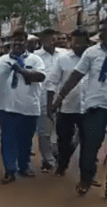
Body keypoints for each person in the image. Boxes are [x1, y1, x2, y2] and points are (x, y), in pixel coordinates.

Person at [51, 22, 107, 195]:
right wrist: (60, 97)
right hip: (96, 107)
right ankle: (86, 178)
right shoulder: (92, 53)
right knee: (90, 146)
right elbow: (76, 76)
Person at [0, 29, 46, 184]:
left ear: (26, 43)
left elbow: (41, 76)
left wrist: (22, 71)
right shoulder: (2, 60)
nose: (17, 43)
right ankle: (9, 170)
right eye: (14, 40)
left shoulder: (36, 60)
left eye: (21, 40)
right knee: (7, 140)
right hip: (7, 108)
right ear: (10, 42)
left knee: (25, 141)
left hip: (29, 108)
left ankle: (24, 167)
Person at [45, 29, 89, 179]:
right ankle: (62, 166)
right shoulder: (63, 60)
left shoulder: (95, 58)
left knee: (88, 141)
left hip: (89, 108)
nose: (77, 46)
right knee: (63, 139)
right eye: (74, 42)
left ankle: (88, 174)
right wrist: (50, 104)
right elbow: (52, 82)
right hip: (67, 106)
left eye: (80, 43)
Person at [34, 29, 62, 173]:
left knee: (60, 131)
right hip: (43, 99)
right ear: (43, 40)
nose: (53, 40)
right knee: (44, 131)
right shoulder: (35, 57)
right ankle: (48, 160)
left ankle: (57, 154)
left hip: (63, 99)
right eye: (50, 38)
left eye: (54, 37)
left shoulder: (64, 54)